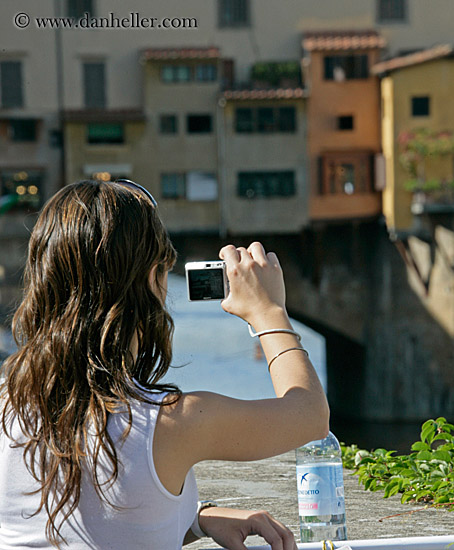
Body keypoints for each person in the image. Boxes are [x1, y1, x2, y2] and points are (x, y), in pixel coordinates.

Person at [0, 180, 329, 550]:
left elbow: (79, 526)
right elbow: (310, 416)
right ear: (151, 280)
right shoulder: (172, 423)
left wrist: (195, 518)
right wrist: (269, 313)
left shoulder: (7, 407)